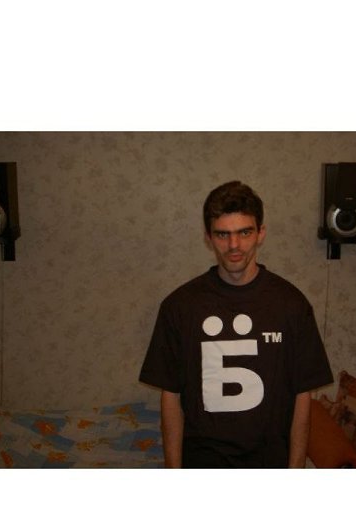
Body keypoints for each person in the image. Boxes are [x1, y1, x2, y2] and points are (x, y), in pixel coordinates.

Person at [139, 181, 333, 468]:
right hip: (203, 463)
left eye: (244, 232)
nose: (234, 246)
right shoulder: (179, 307)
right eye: (222, 234)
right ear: (208, 237)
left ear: (260, 233)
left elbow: (302, 397)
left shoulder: (291, 305)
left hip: (269, 463)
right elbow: (171, 397)